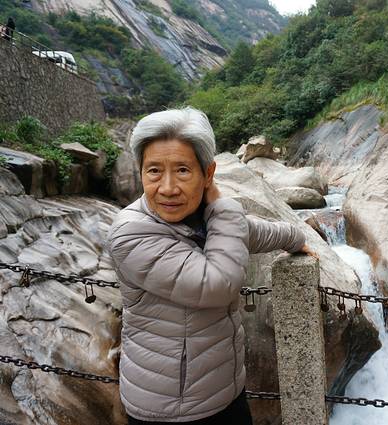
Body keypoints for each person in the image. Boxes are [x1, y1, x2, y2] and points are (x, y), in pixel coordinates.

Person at [107, 107, 318, 424]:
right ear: (140, 173)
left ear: (207, 174)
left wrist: (294, 238)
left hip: (225, 390)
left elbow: (246, 232)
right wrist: (221, 204)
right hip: (170, 410)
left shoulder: (197, 213)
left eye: (182, 170)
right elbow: (218, 284)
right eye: (154, 171)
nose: (167, 188)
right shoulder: (131, 233)